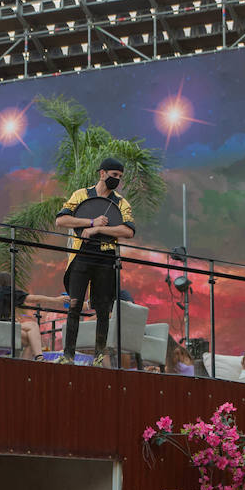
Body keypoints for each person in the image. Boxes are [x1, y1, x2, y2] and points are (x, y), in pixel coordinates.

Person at [52, 156, 137, 367]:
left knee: (102, 308)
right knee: (74, 305)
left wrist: (99, 229)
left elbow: (128, 230)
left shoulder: (121, 202)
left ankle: (99, 356)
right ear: (102, 173)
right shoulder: (81, 195)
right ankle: (68, 355)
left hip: (106, 258)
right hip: (81, 255)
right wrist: (90, 221)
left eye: (119, 177)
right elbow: (61, 220)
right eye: (113, 175)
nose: (116, 179)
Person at [0, 272, 62, 361]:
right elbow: (33, 299)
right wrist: (56, 300)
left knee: (31, 340)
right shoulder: (6, 291)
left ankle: (25, 363)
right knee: (33, 326)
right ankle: (39, 357)